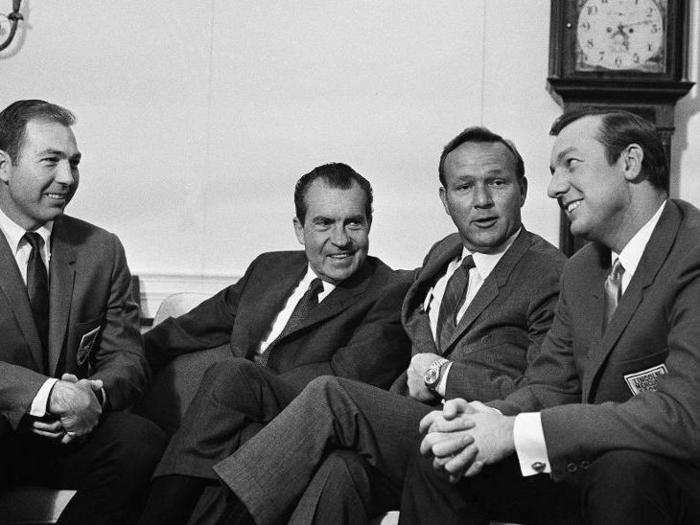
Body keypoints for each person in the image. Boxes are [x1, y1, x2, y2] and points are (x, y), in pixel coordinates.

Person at [203, 127, 566, 524]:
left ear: (523, 189)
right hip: (412, 433)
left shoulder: (550, 273)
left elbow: (545, 391)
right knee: (340, 471)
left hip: (479, 439)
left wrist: (440, 374)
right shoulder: (444, 254)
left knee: (330, 395)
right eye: (464, 187)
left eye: (497, 183)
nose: (482, 201)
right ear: (445, 200)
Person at [405, 109, 700, 524]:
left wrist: (518, 434)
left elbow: (686, 415)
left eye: (570, 165)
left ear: (630, 163)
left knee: (625, 470)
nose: (554, 188)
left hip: (671, 476)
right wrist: (489, 418)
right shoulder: (582, 271)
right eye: (552, 170)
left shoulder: (693, 253)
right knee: (448, 458)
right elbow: (550, 386)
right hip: (592, 468)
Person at [138, 162, 412, 524]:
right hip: (225, 431)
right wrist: (109, 372)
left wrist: (247, 393)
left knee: (233, 377)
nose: (342, 239)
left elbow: (345, 378)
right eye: (324, 223)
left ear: (369, 224)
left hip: (307, 428)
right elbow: (186, 330)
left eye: (354, 222)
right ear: (299, 230)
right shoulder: (269, 269)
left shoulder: (391, 290)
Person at [0, 99, 165, 524]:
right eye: (51, 161)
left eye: (74, 163)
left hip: (69, 435)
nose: (68, 178)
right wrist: (47, 394)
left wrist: (95, 393)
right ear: (3, 165)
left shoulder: (101, 249)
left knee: (140, 442)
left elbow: (127, 357)